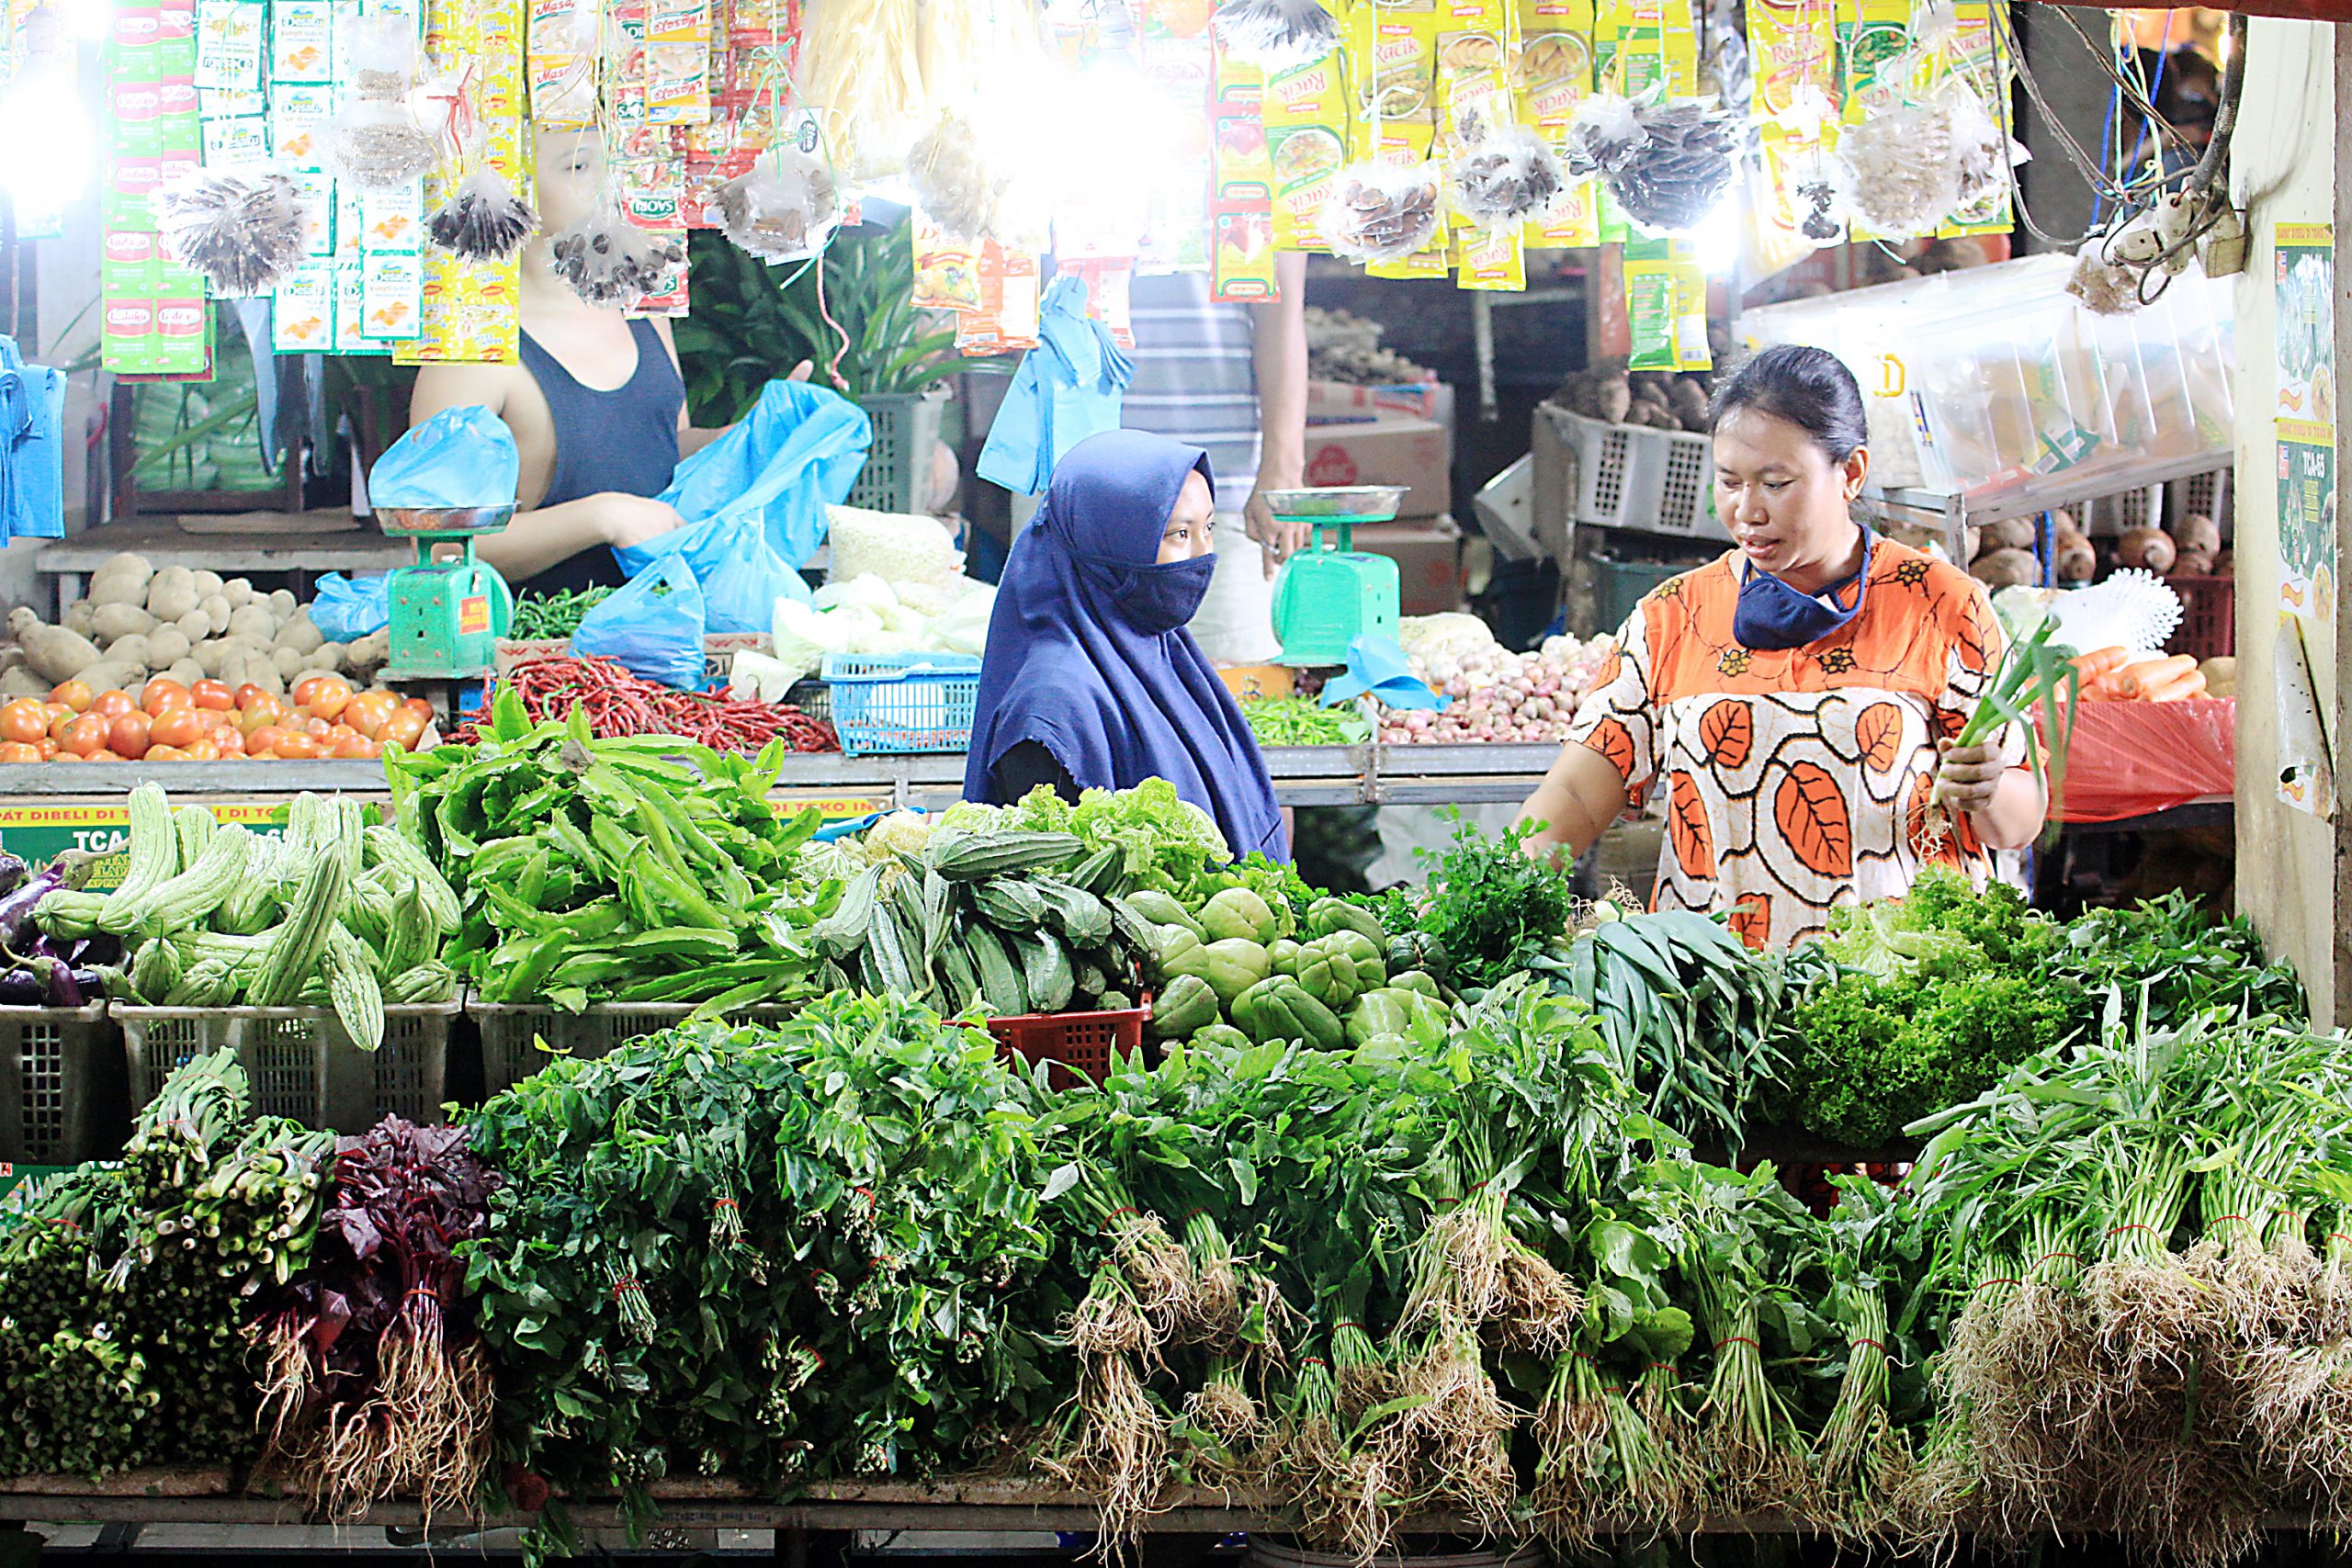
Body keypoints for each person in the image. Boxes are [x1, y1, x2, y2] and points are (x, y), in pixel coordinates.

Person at [1515, 344, 2044, 949]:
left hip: (1902, 984)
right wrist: (1505, 883)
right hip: (1721, 993)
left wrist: (1989, 789)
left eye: (1776, 483)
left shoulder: (1940, 604)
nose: (1747, 510)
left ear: (1850, 473)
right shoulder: (1673, 617)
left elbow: (2020, 819)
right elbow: (1581, 790)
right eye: (1729, 481)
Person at [406, 127, 807, 595]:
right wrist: (600, 517)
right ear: (507, 186)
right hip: (534, 652)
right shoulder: (476, 347)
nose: (606, 183)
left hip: (663, 635)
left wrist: (748, 438)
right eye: (578, 166)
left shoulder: (642, 311)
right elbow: (439, 543)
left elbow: (663, 447)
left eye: (611, 162)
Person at [963, 428, 1289, 864]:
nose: (1202, 555)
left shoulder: (1163, 652)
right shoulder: (1051, 710)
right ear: (1108, 539)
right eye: (1178, 534)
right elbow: (1071, 897)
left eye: (1208, 528)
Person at [1119, 257, 1308, 663]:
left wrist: (1283, 471)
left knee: (1233, 689)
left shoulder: (1267, 191)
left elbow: (1283, 315)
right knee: (1073, 700)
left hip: (1217, 489)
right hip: (1072, 482)